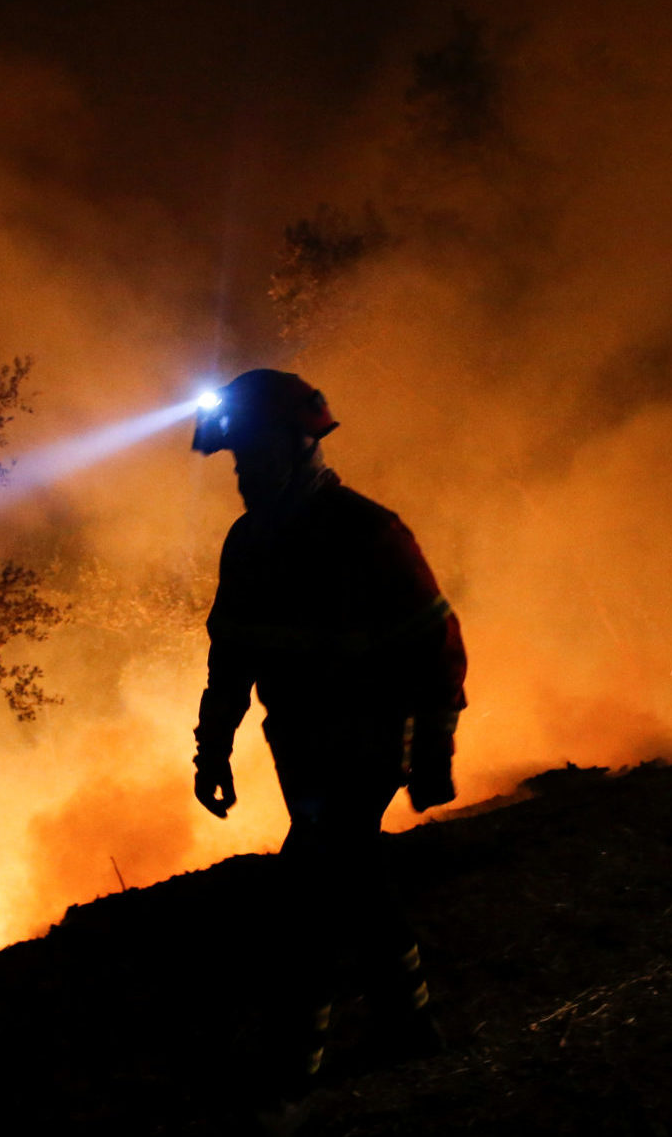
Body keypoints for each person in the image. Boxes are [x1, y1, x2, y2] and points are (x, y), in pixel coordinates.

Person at [189, 369, 467, 1113]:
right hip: (300, 750)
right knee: (357, 878)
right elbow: (232, 657)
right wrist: (211, 749)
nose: (242, 473)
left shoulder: (369, 532)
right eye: (236, 460)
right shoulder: (248, 545)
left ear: (297, 443)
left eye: (251, 455)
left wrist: (432, 754)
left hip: (369, 744)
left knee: (306, 891)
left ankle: (294, 1064)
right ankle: (410, 1025)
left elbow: (436, 644)